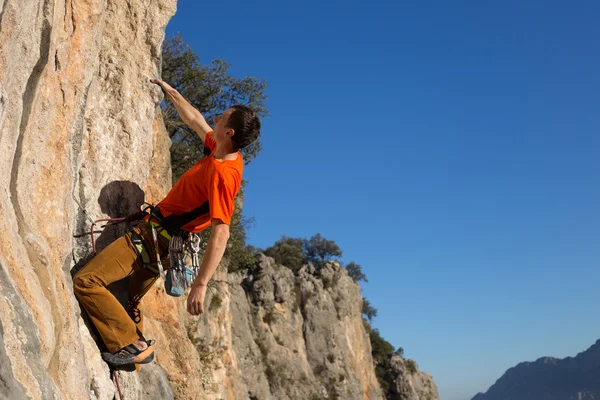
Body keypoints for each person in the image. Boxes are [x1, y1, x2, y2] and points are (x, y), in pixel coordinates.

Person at [73, 78, 261, 366]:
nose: (215, 118)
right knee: (127, 299)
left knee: (88, 282)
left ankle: (129, 345)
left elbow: (221, 232)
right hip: (164, 243)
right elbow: (197, 121)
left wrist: (201, 283)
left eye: (221, 118)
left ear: (229, 132)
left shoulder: (223, 175)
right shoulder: (221, 150)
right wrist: (171, 93)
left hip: (153, 238)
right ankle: (130, 335)